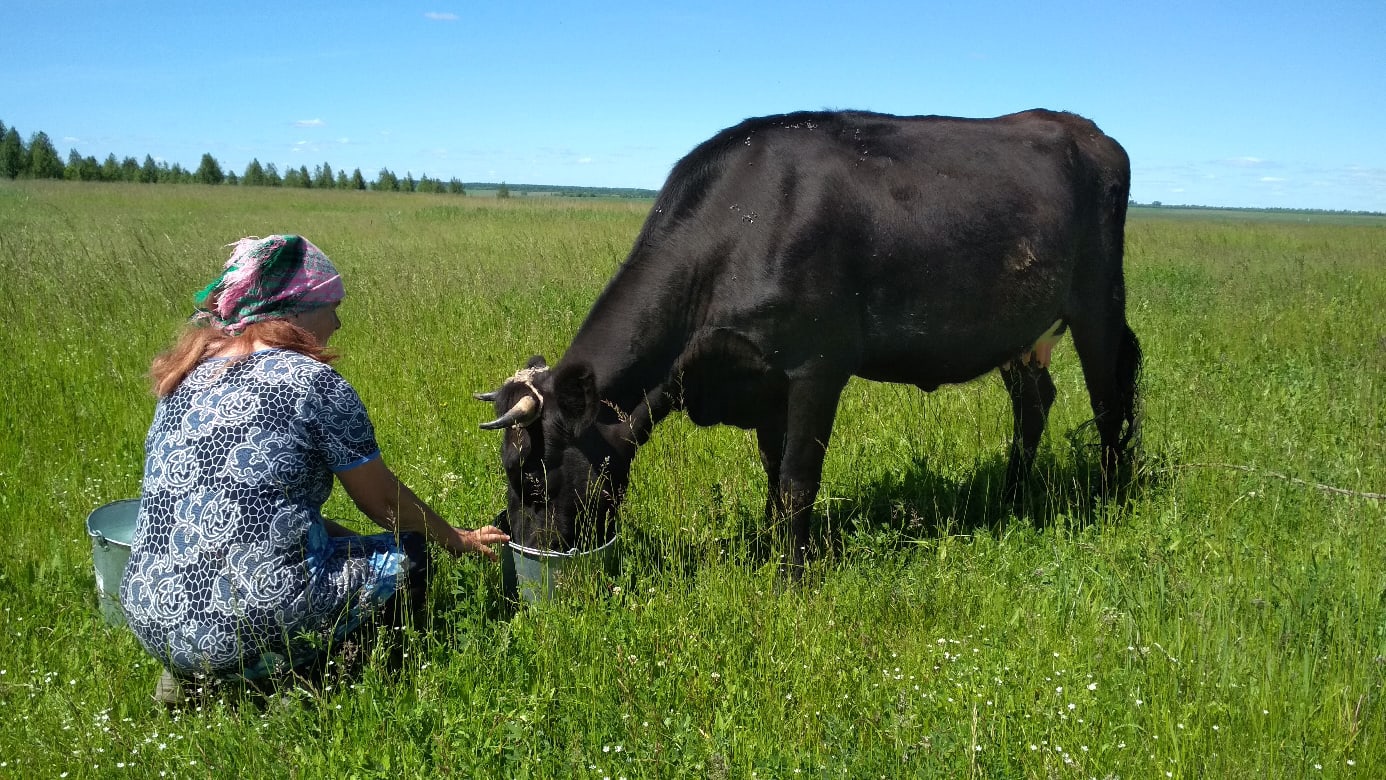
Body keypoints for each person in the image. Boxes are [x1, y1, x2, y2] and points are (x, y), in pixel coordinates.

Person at [118, 234, 508, 704]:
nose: (338, 323)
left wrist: (343, 542)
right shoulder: (312, 383)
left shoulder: (184, 375)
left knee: (317, 554)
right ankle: (310, 684)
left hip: (150, 613)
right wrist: (457, 539)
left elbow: (249, 504)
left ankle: (195, 675)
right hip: (257, 615)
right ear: (296, 309)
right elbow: (382, 502)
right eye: (332, 305)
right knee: (413, 555)